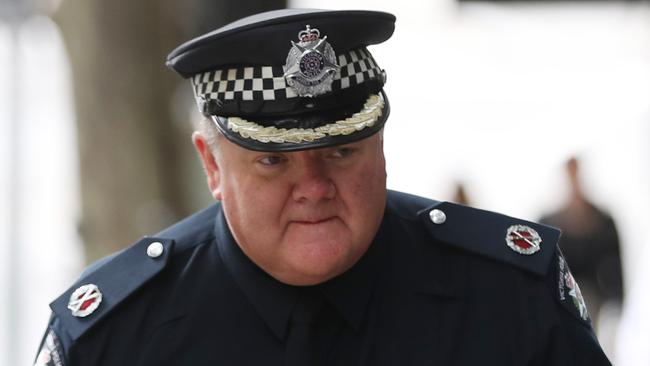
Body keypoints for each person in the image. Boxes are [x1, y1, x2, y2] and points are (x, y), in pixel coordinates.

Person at [34, 9, 611, 366]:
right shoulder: (113, 337)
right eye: (272, 161)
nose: (313, 187)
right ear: (212, 166)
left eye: (340, 151)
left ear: (381, 149)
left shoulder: (509, 296)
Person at [540, 157, 624, 329]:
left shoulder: (604, 221)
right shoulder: (546, 222)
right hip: (557, 299)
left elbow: (615, 263)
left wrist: (617, 299)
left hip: (592, 296)